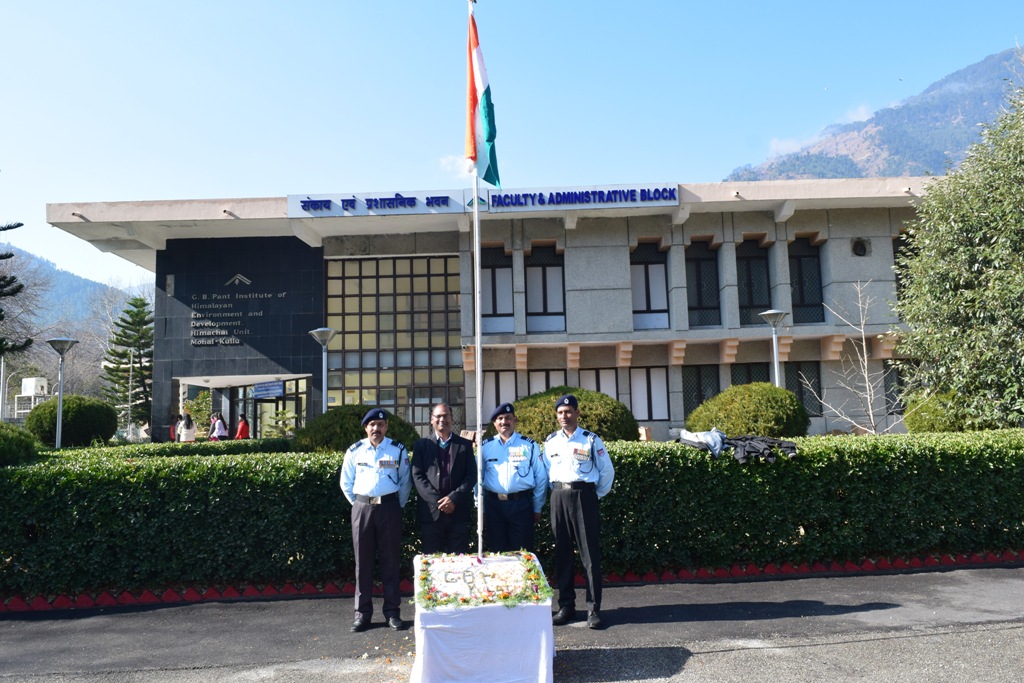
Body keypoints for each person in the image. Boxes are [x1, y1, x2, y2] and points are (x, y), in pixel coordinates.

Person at [543, 394, 614, 630]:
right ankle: (566, 606)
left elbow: (606, 471)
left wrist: (594, 495)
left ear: (577, 413)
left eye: (568, 411)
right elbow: (546, 470)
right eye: (560, 413)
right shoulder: (551, 441)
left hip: (584, 496)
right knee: (562, 553)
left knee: (589, 555)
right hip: (558, 496)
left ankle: (593, 609)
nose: (564, 416)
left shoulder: (590, 440)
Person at [339, 408, 412, 633]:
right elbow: (345, 482)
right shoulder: (355, 451)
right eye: (372, 425)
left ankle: (392, 612)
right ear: (366, 428)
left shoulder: (397, 450)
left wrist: (395, 506)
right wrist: (359, 504)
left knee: (391, 561)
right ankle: (362, 614)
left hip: (389, 508)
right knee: (363, 563)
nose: (376, 428)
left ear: (386, 427)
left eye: (380, 424)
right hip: (362, 509)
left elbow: (405, 482)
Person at [480, 402, 547, 553]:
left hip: (521, 505)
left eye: (508, 418)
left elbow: (541, 477)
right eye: (500, 419)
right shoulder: (485, 446)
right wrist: (481, 508)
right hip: (494, 506)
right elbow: (478, 480)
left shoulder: (529, 445)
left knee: (522, 552)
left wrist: (537, 506)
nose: (504, 422)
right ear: (494, 423)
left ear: (515, 420)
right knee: (497, 553)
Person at [411, 403, 477, 554]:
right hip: (431, 514)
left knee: (459, 560)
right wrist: (438, 502)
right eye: (438, 416)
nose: (442, 419)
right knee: (432, 560)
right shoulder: (421, 445)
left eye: (446, 416)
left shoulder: (465, 445)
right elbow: (417, 476)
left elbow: (471, 475)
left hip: (458, 512)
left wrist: (453, 498)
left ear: (452, 419)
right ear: (431, 420)